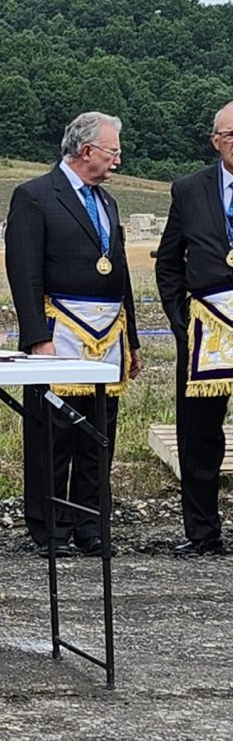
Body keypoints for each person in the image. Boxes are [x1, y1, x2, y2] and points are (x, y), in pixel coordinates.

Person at [5, 111, 142, 557]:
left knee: (98, 432)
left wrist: (133, 341)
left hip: (107, 333)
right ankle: (50, 526)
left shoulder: (107, 202)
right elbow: (23, 272)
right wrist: (36, 337)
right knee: (55, 431)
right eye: (113, 151)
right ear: (86, 151)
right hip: (58, 330)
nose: (117, 160)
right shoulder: (35, 197)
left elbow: (119, 273)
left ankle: (91, 523)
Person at [154, 101, 233, 557]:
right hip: (205, 328)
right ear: (215, 140)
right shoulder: (187, 189)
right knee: (199, 434)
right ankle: (202, 532)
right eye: (229, 135)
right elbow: (168, 261)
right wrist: (179, 320)